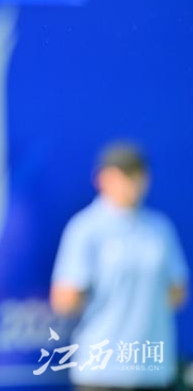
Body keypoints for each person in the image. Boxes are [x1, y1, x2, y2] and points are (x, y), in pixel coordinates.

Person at [50, 141, 189, 391]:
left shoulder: (159, 229)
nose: (133, 182)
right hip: (102, 373)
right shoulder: (85, 228)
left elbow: (178, 293)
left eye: (138, 174)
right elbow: (64, 299)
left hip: (152, 372)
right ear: (103, 179)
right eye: (125, 174)